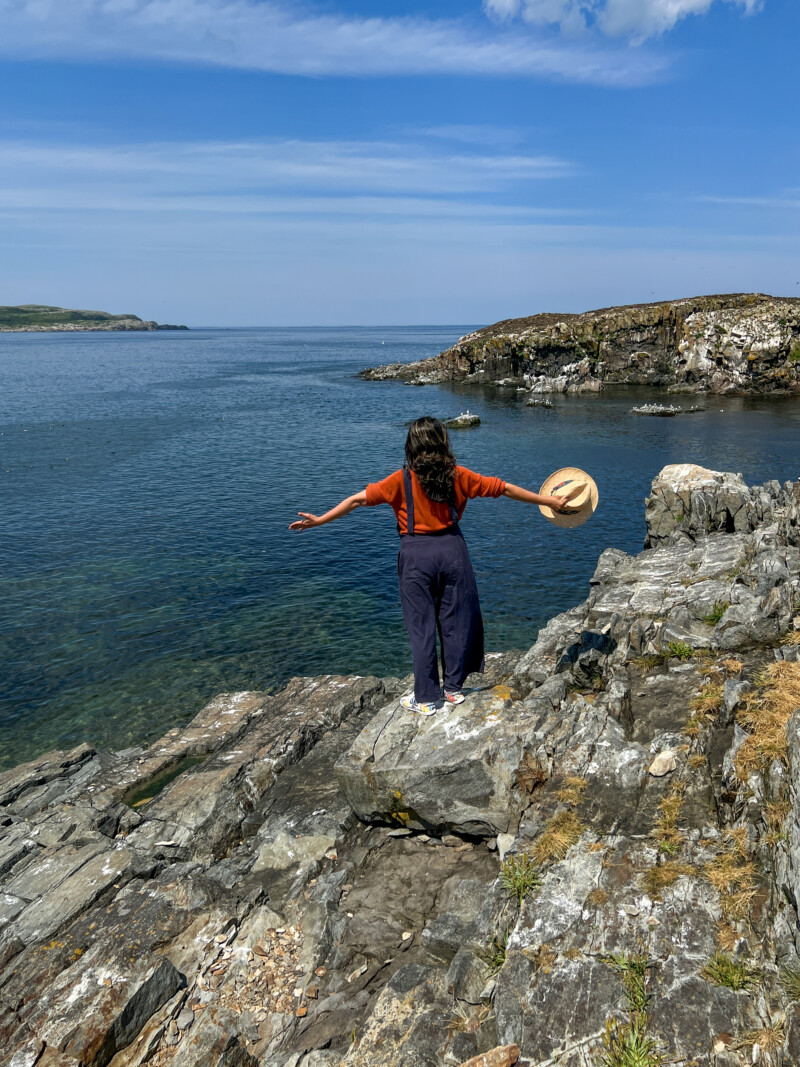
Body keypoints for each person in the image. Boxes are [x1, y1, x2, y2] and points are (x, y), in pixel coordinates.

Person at [289, 415, 575, 716]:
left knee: (421, 627)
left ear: (411, 446)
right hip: (453, 552)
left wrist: (320, 520)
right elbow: (503, 488)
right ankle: (453, 689)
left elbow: (356, 500)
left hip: (416, 556)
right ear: (443, 443)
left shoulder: (399, 480)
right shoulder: (458, 476)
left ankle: (425, 699)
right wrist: (548, 501)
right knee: (456, 620)